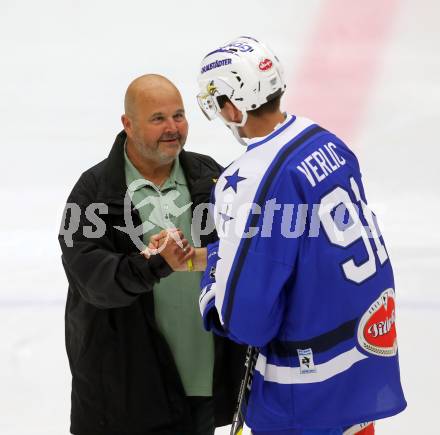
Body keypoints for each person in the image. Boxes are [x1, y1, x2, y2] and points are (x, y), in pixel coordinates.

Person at [192, 36, 407, 434]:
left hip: (306, 389)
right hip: (361, 361)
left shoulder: (250, 179)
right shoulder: (326, 140)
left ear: (230, 104)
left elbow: (247, 321)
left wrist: (211, 282)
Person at [58, 74, 246, 435]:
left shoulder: (209, 178)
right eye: (158, 118)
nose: (173, 128)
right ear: (128, 124)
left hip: (201, 382)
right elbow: (93, 280)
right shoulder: (94, 193)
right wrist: (152, 265)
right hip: (125, 395)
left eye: (179, 115)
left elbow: (242, 252)